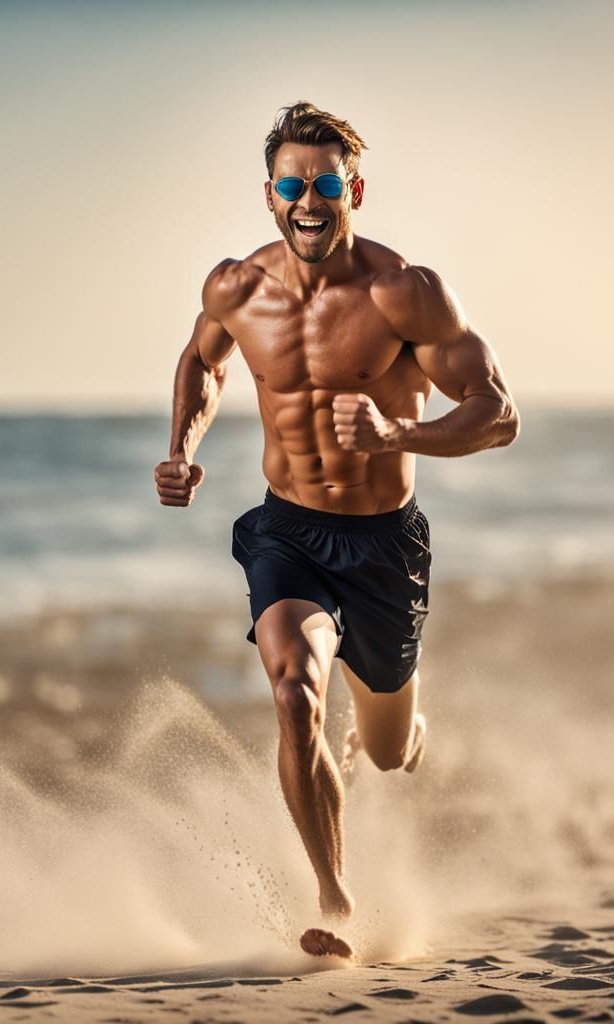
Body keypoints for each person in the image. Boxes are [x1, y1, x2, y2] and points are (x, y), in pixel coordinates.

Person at [154, 101, 519, 959]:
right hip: (288, 533)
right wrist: (179, 447)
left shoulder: (406, 295)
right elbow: (202, 360)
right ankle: (335, 896)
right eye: (291, 183)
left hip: (385, 544)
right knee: (293, 694)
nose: (307, 199)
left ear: (353, 189)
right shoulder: (236, 288)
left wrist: (401, 435)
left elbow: (497, 414)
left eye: (324, 183)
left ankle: (401, 724)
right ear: (270, 194)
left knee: (387, 754)